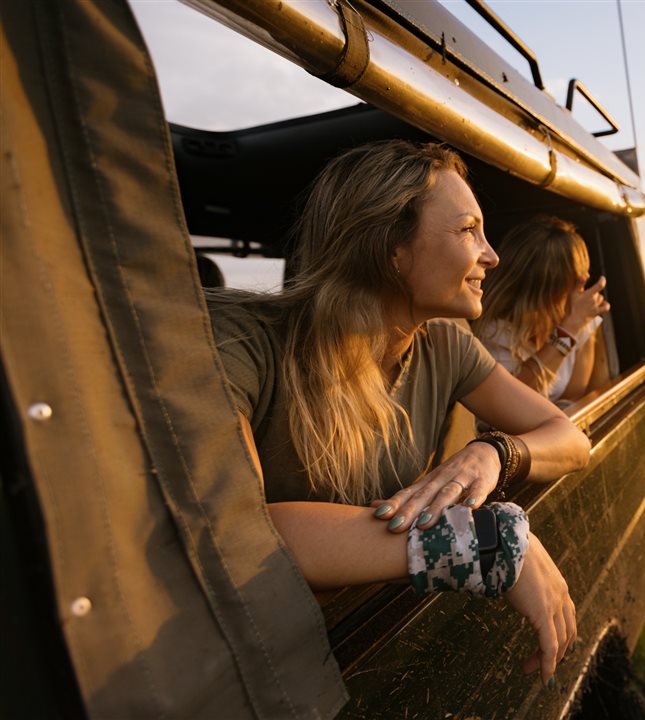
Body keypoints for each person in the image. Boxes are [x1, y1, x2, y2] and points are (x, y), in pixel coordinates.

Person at [206, 140, 588, 685]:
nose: (491, 255)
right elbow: (238, 531)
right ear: (392, 249)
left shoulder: (444, 346)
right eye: (467, 230)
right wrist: (485, 542)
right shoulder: (241, 343)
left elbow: (570, 438)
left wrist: (493, 452)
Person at [472, 216, 610, 406]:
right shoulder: (492, 333)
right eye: (573, 281)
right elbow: (510, 405)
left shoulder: (581, 320)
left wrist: (574, 326)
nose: (582, 286)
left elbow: (573, 399)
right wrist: (566, 333)